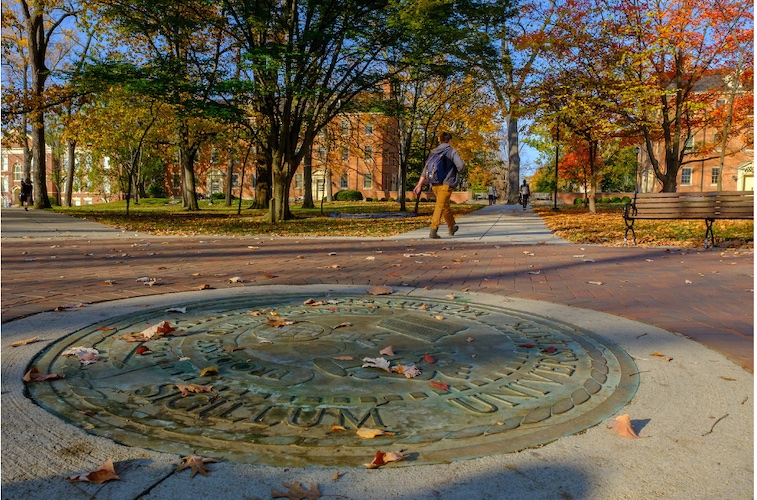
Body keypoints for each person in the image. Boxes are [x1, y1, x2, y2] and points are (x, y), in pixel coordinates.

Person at [413, 131, 465, 239]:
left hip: (434, 184)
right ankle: (433, 229)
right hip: (446, 183)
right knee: (440, 206)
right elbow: (461, 166)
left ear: (440, 140)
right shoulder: (452, 151)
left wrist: (419, 185)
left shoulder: (434, 152)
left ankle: (451, 226)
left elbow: (425, 170)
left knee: (444, 204)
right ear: (450, 141)